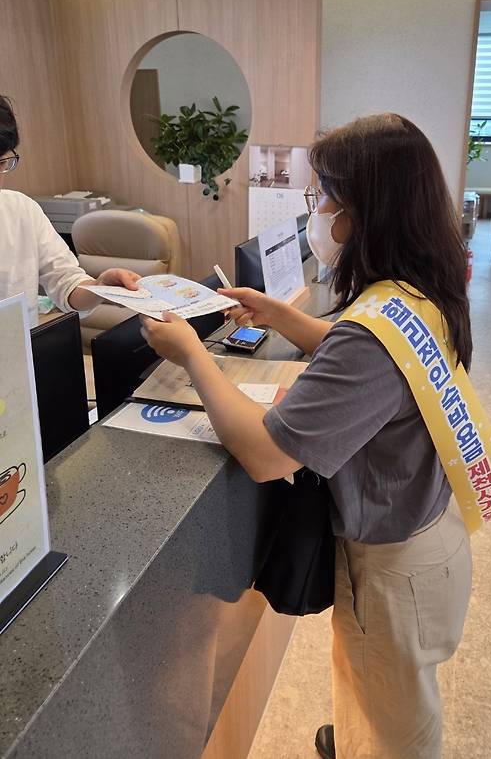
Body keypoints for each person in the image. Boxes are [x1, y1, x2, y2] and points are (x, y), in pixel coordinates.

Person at [141, 113, 473, 759]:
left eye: (324, 195)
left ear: (364, 210)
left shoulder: (375, 325)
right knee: (373, 688)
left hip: (396, 563)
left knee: (398, 719)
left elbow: (266, 454)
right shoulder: (418, 292)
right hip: (419, 531)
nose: (317, 211)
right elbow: (378, 358)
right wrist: (286, 317)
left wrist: (192, 354)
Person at [0, 96, 140, 326]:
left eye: (1, 164)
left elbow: (66, 284)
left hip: (22, 357)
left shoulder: (21, 211)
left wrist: (99, 287)